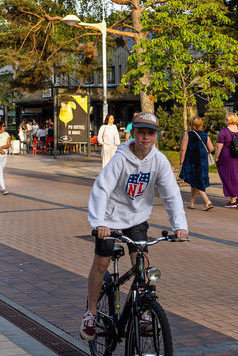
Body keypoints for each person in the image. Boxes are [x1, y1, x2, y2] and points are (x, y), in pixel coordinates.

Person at [80, 112, 188, 340]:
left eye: (150, 133)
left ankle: (143, 311)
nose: (145, 137)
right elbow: (102, 189)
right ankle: (90, 313)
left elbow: (171, 194)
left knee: (142, 264)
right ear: (133, 133)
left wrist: (180, 226)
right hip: (109, 217)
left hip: (137, 217)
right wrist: (99, 222)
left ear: (156, 136)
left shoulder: (159, 160)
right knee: (101, 264)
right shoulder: (120, 158)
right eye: (141, 132)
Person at [179, 116, 214, 211]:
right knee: (194, 181)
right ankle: (192, 203)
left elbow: (183, 149)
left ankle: (207, 202)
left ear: (191, 125)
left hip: (191, 161)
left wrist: (181, 161)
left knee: (196, 181)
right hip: (202, 161)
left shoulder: (188, 135)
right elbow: (211, 148)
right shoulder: (205, 135)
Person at [214, 112, 238, 208]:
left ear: (228, 120)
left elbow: (219, 146)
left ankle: (233, 201)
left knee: (229, 177)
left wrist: (217, 157)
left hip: (228, 156)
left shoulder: (224, 132)